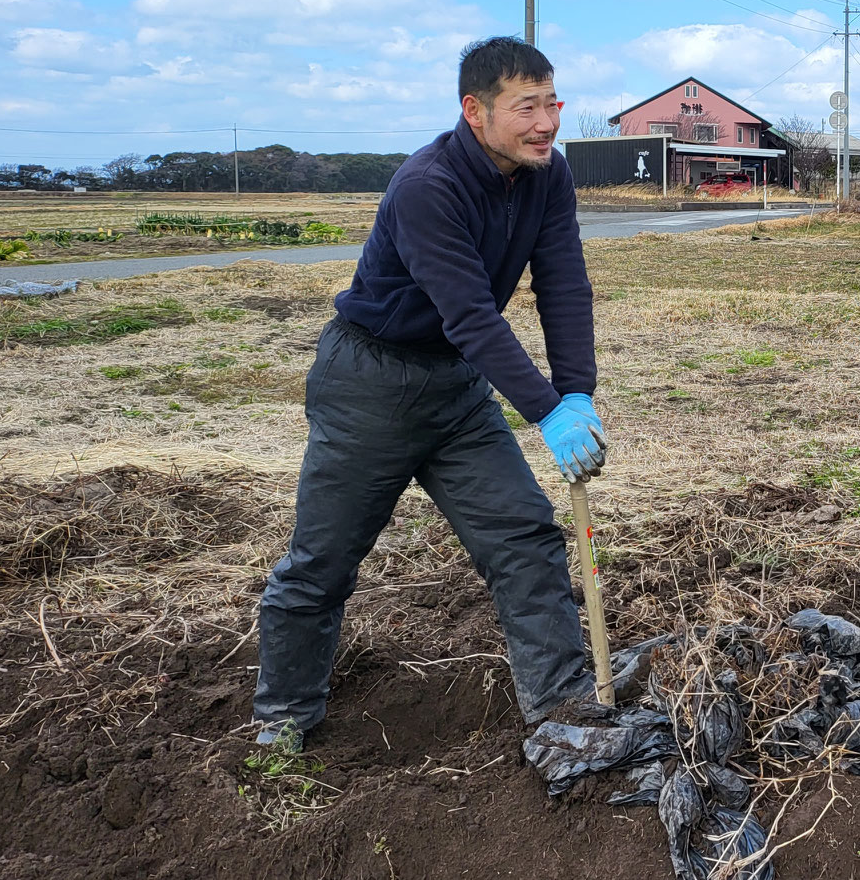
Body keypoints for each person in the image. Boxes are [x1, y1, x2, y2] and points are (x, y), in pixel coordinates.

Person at [254, 36, 609, 749]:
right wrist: (542, 410)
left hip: (455, 389)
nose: (546, 123)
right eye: (526, 107)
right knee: (322, 563)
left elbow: (563, 282)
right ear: (474, 111)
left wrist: (576, 392)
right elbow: (471, 314)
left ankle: (565, 715)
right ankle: (283, 722)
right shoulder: (428, 187)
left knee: (524, 537)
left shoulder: (547, 175)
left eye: (553, 104)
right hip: (369, 386)